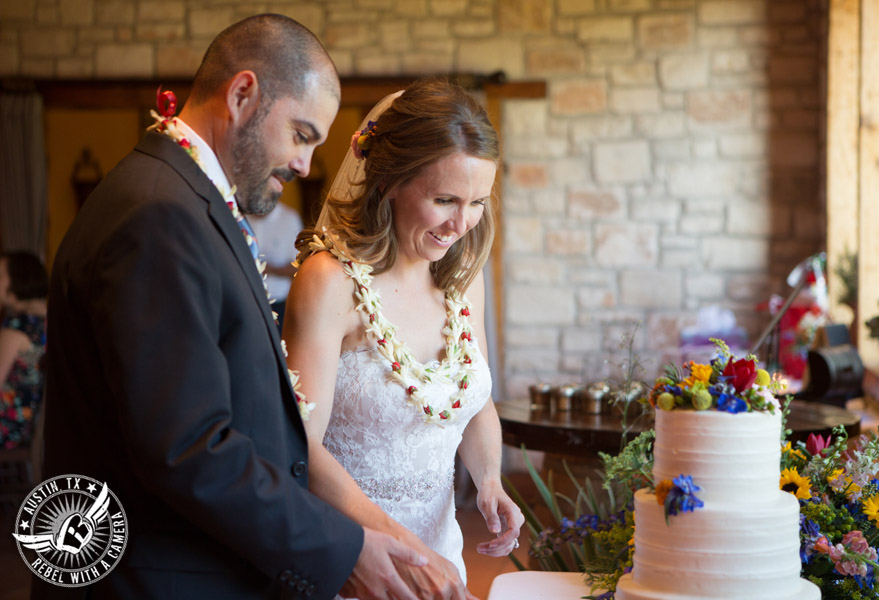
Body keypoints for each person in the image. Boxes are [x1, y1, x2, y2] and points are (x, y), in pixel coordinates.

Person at [39, 15, 452, 600]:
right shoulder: (159, 214)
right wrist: (342, 547)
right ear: (242, 94)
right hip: (155, 576)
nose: (306, 165)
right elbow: (186, 446)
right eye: (302, 134)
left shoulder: (181, 195)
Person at [282, 79, 525, 592]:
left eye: (478, 201)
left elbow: (474, 400)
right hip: (356, 560)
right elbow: (299, 444)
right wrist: (401, 546)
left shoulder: (462, 278)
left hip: (442, 556)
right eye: (444, 199)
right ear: (389, 182)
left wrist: (489, 481)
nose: (462, 223)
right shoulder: (331, 281)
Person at [0, 251, 48, 450]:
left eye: (1, 276)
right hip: (25, 426)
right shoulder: (43, 320)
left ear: (18, 280)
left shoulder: (18, 326)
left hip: (7, 426)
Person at [247, 201, 304, 331]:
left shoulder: (289, 219)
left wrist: (271, 269)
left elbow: (299, 266)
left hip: (277, 303)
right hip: (247, 301)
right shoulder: (242, 215)